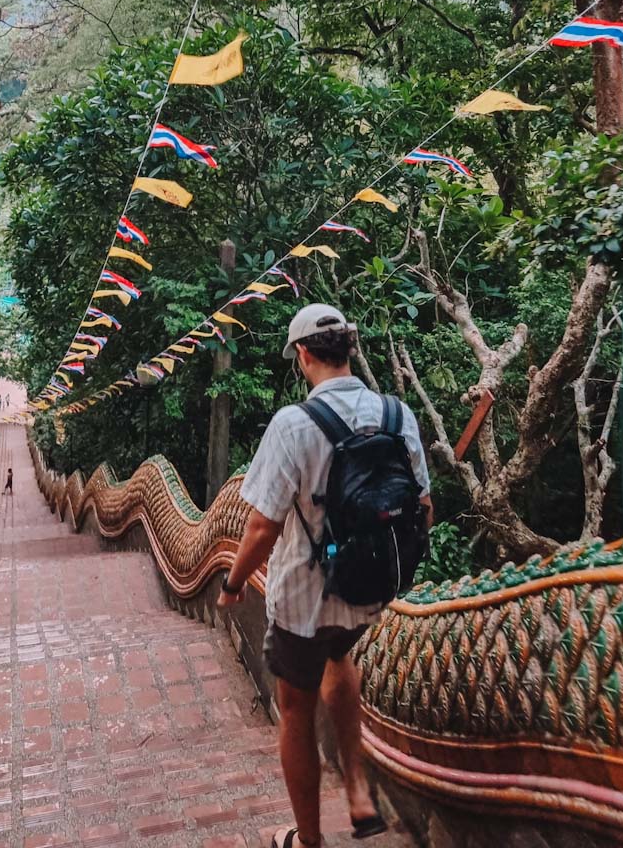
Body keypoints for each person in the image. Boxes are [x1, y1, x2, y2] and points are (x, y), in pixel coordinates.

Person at [217, 304, 432, 848]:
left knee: (295, 708)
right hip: (368, 593)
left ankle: (309, 841)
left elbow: (262, 527)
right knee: (341, 656)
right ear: (350, 349)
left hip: (303, 602)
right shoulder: (396, 413)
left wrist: (233, 583)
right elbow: (423, 507)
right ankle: (358, 789)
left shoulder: (293, 425)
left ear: (303, 356)